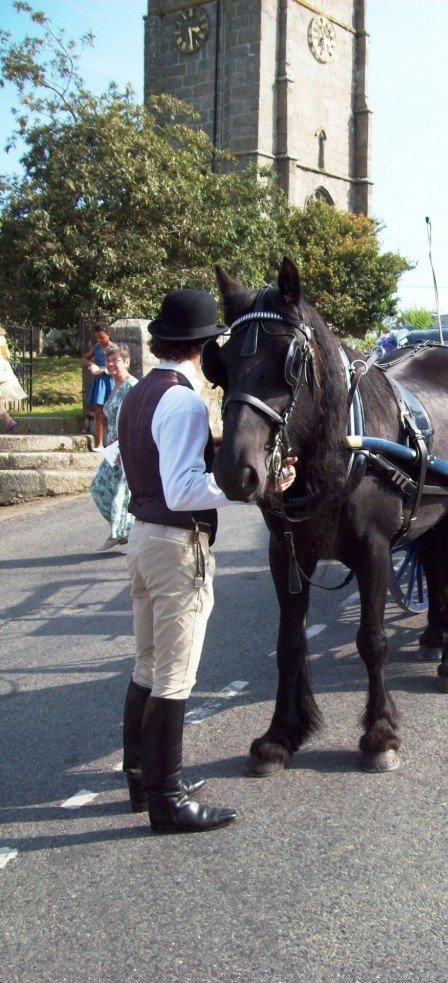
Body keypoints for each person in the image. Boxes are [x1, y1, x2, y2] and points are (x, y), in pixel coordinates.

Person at [117, 288, 296, 835]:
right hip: (177, 545)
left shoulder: (141, 392)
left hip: (144, 538)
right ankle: (167, 800)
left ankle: (142, 779)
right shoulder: (186, 400)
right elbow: (183, 488)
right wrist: (256, 488)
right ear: (204, 346)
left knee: (147, 665)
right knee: (175, 674)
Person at [89, 343, 138, 549]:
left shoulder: (132, 386)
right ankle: (123, 531)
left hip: (126, 448)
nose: (111, 364)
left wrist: (125, 446)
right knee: (98, 488)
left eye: (116, 360)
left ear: (126, 362)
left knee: (120, 493)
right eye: (108, 360)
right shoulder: (113, 385)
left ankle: (121, 533)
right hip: (112, 450)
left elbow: (136, 420)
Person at [82, 323, 115, 450]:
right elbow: (84, 358)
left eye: (102, 337)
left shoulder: (114, 348)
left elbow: (121, 365)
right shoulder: (96, 347)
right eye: (97, 338)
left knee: (112, 412)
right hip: (100, 382)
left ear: (108, 334)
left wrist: (103, 370)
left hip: (111, 380)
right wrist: (91, 365)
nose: (99, 340)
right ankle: (100, 443)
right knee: (99, 412)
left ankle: (113, 443)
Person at [0, 332, 26, 433]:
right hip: (4, 368)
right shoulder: (2, 338)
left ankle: (8, 420)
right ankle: (8, 420)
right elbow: (7, 355)